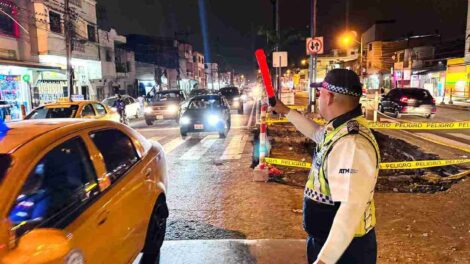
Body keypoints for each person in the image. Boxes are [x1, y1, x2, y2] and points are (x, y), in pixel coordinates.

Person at [272, 69, 380, 264]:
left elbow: (350, 209)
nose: (318, 98)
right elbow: (315, 133)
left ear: (329, 97)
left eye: (319, 93)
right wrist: (286, 111)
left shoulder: (352, 143)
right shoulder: (339, 129)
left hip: (346, 251)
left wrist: (324, 260)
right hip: (328, 241)